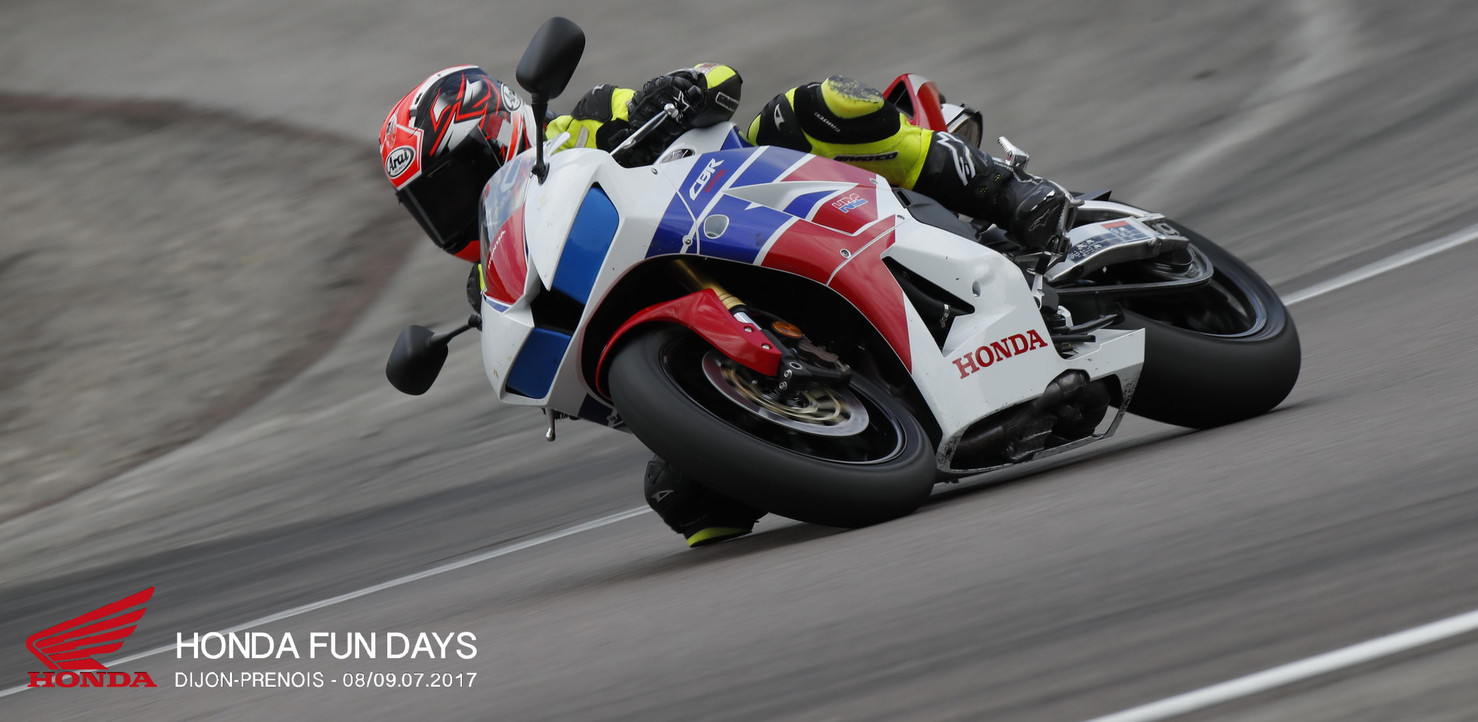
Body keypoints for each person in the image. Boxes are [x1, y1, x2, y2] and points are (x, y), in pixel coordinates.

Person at [381, 62, 1071, 547]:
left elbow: (716, 80)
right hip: (692, 314)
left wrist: (678, 90)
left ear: (497, 125)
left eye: (455, 181)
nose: (450, 210)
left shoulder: (584, 120)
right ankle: (837, 429)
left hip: (749, 209)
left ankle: (1004, 192)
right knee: (685, 504)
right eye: (430, 205)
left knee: (813, 105)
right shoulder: (500, 277)